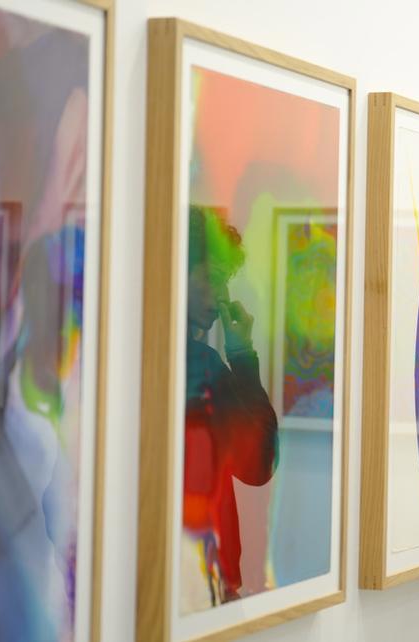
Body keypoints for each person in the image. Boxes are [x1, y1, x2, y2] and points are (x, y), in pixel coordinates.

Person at [183, 205, 278, 606]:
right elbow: (259, 461)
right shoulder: (200, 366)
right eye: (213, 279)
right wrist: (241, 353)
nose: (222, 295)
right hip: (197, 576)